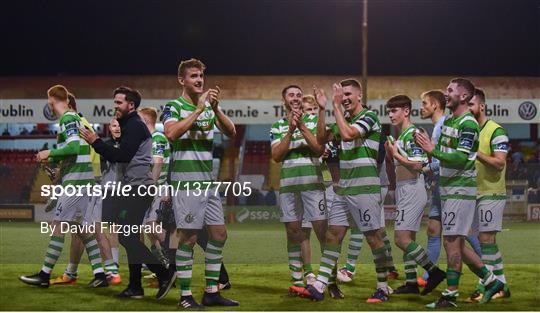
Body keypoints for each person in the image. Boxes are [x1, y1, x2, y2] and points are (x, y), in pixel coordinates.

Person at [292, 80, 391, 303]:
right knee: (332, 235)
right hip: (343, 189)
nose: (344, 98)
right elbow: (320, 139)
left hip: (365, 189)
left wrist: (335, 107)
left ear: (359, 96)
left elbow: (347, 135)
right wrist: (322, 109)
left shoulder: (370, 117)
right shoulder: (343, 118)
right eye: (341, 95)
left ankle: (383, 288)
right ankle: (318, 286)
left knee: (373, 238)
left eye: (348, 94)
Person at [414, 78, 505, 308]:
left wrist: (433, 149)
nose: (447, 93)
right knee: (456, 245)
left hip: (460, 190)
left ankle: (450, 295)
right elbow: (444, 156)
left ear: (464, 96)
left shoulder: (468, 124)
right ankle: (491, 280)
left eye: (451, 90)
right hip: (448, 189)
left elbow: (462, 157)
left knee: (452, 243)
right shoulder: (449, 122)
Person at [79, 86, 172, 299]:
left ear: (131, 105)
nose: (115, 106)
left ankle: (164, 273)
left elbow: (122, 156)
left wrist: (95, 142)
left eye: (119, 102)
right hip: (133, 188)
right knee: (129, 238)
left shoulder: (135, 125)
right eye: (115, 102)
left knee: (128, 238)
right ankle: (135, 287)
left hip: (138, 188)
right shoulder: (131, 125)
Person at [162, 58, 238, 309]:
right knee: (189, 238)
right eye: (193, 76)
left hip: (208, 184)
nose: (199, 80)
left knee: (219, 234)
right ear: (181, 80)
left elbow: (231, 131)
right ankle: (185, 296)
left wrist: (214, 109)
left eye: (201, 76)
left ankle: (211, 292)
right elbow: (171, 134)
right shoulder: (173, 106)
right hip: (186, 184)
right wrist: (197, 110)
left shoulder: (208, 108)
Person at [19, 85, 108, 288]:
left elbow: (74, 147)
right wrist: (60, 170)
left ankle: (44, 275)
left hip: (76, 183)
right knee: (82, 229)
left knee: (57, 225)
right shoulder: (75, 118)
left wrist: (48, 153)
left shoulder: (67, 118)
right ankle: (100, 275)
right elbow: (75, 151)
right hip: (84, 180)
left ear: (51, 100)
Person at [49, 94, 121, 286]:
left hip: (86, 182)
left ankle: (103, 273)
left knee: (85, 229)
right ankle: (104, 272)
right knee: (85, 229)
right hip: (93, 182)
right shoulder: (84, 123)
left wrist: (60, 174)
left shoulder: (73, 122)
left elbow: (76, 155)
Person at [384, 95, 446, 295]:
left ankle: (434, 272)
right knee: (408, 238)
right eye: (389, 111)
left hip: (412, 188)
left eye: (394, 111)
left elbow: (420, 166)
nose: (390, 115)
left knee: (401, 239)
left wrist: (396, 155)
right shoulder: (403, 136)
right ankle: (411, 283)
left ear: (406, 111)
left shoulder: (413, 133)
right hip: (405, 188)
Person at [270, 87, 329, 294]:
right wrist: (290, 131)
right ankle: (298, 280)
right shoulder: (277, 126)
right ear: (284, 100)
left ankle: (330, 280)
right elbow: (276, 156)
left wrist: (301, 125)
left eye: (298, 94)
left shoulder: (313, 121)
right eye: (290, 95)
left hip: (313, 184)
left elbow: (319, 148)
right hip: (289, 186)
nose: (295, 97)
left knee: (323, 232)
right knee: (293, 232)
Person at [467, 88, 511, 301]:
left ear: (481, 106)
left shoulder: (496, 130)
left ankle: (486, 284)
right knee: (482, 239)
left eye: (471, 105)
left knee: (486, 239)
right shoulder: (471, 130)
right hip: (474, 193)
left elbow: (500, 162)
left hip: (491, 192)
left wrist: (476, 152)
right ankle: (501, 285)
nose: (467, 109)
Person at [138, 107, 169, 265]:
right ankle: (162, 262)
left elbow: (158, 164)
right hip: (155, 189)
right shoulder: (150, 139)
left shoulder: (157, 138)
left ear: (144, 121)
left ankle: (174, 258)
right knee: (149, 229)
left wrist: (150, 188)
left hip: (159, 189)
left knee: (152, 227)